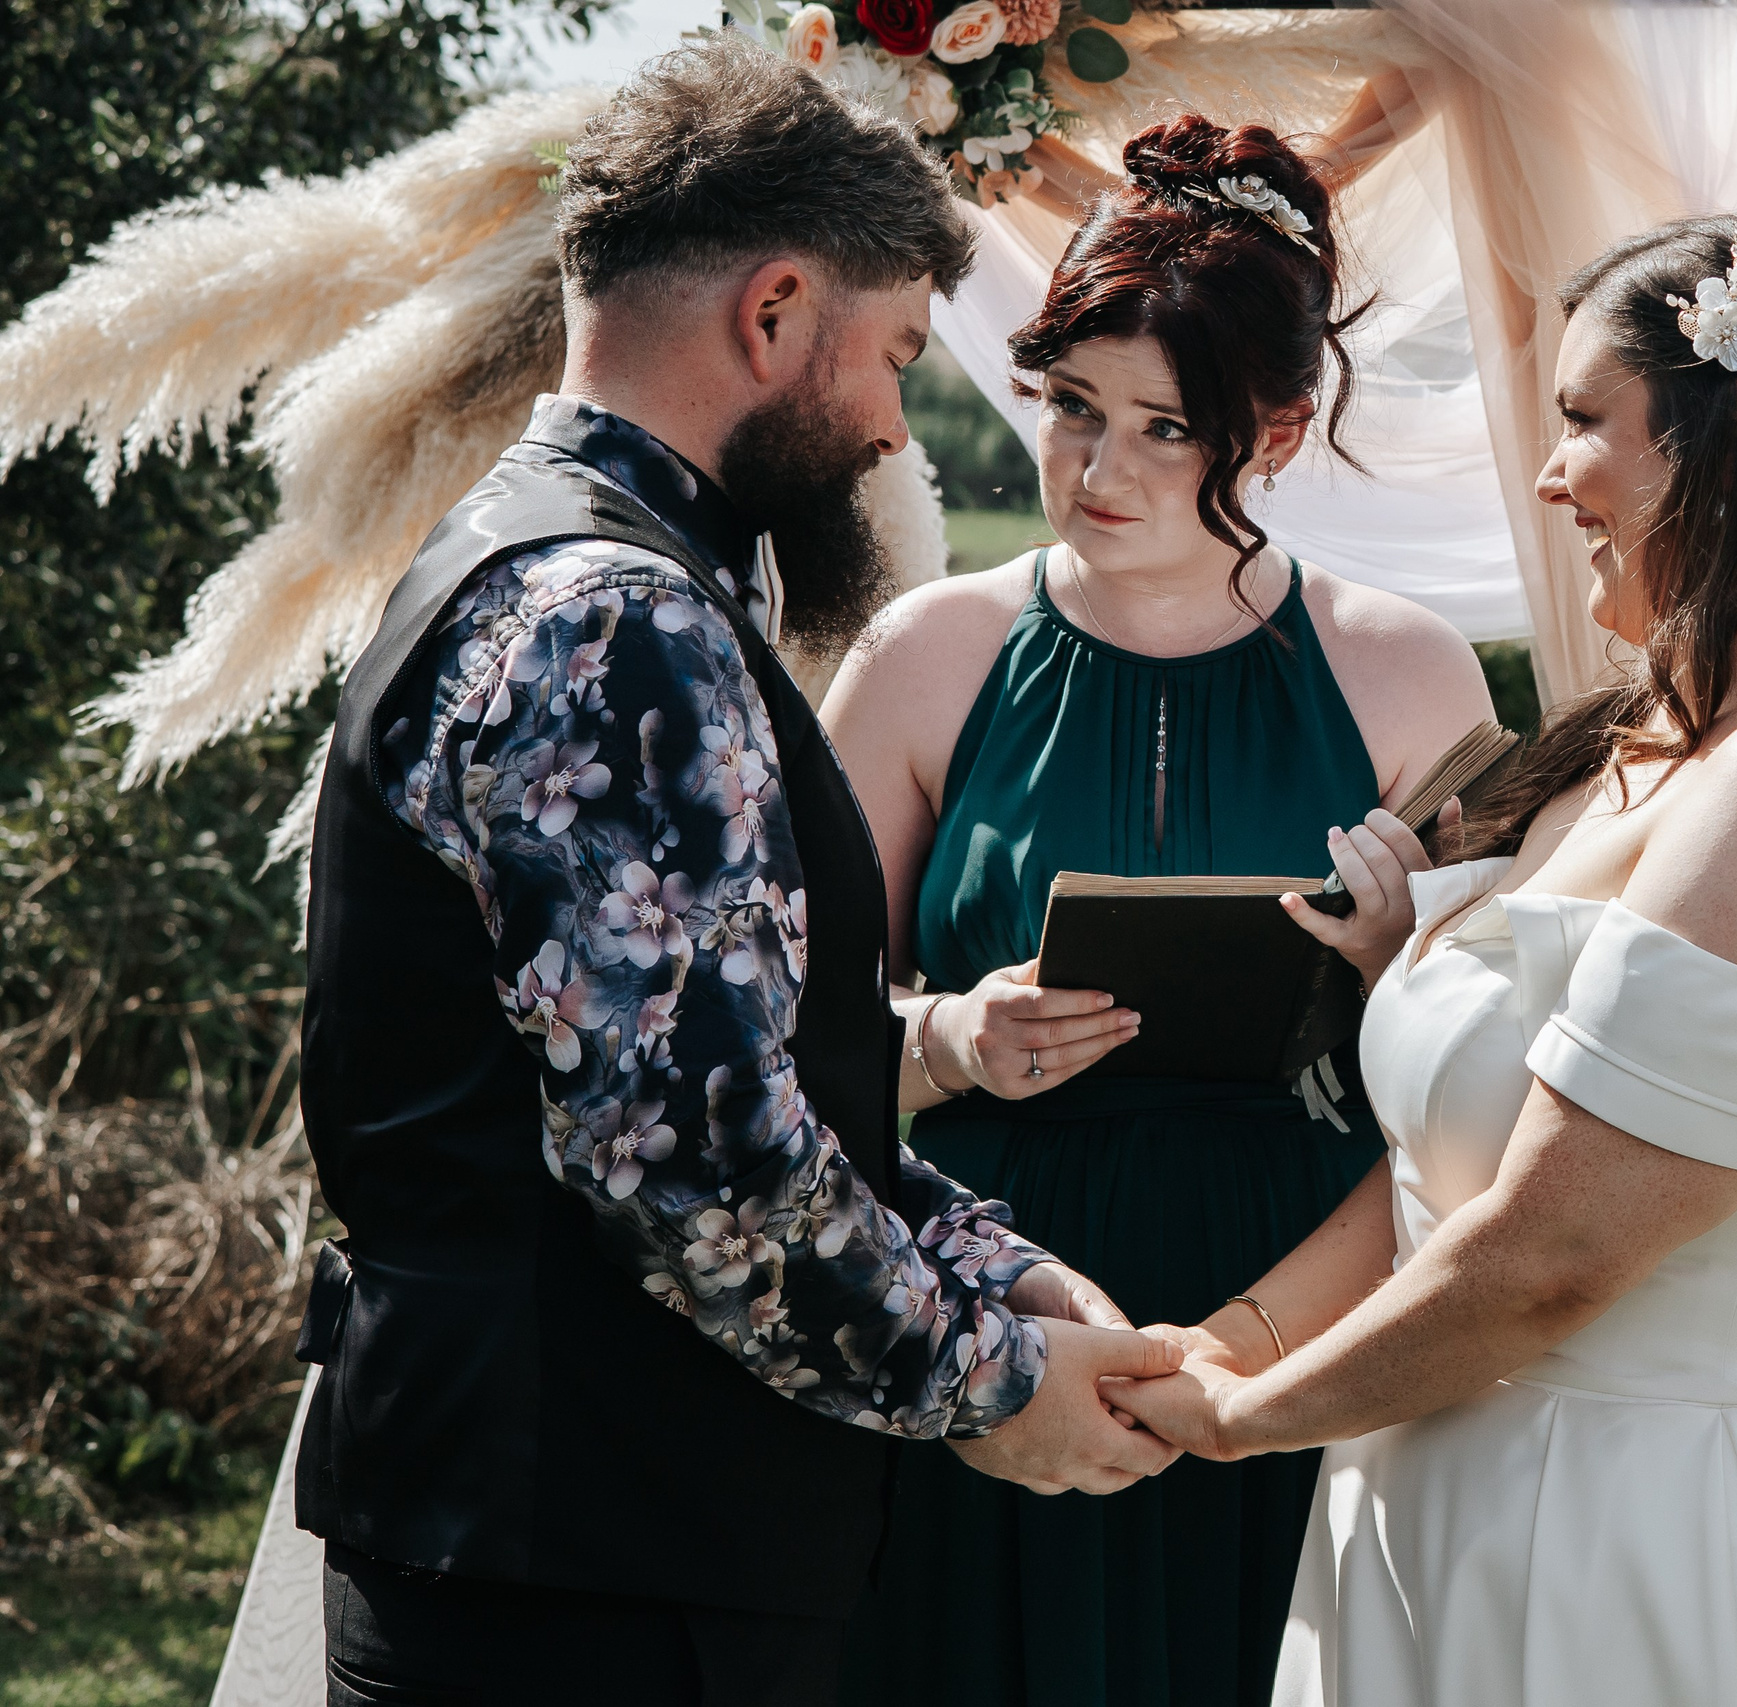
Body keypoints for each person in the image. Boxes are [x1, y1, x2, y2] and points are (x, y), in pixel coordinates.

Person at [288, 40, 1181, 1706]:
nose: (895, 430)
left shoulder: (558, 567)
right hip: (589, 1594)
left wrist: (987, 1258)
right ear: (774, 312)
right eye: (895, 357)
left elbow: (733, 1066)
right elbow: (691, 1152)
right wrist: (990, 1377)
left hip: (564, 1555)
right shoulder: (616, 622)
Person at [1104, 213, 1737, 1705]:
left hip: (1648, 1549)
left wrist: (1246, 1422)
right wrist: (1226, 1346)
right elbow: (1456, 1178)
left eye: (1583, 421)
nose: (1550, 476)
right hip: (1458, 1505)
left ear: (1727, 443)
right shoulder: (1634, 754)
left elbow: (1551, 1255)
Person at [822, 117, 1495, 1706]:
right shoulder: (924, 658)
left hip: (1307, 1315)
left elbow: (1490, 1067)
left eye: (1166, 429)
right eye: (1072, 406)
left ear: (1276, 431)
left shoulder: (1408, 673)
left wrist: (1396, 965)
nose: (1098, 471)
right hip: (1003, 1323)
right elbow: (780, 1034)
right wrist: (951, 1037)